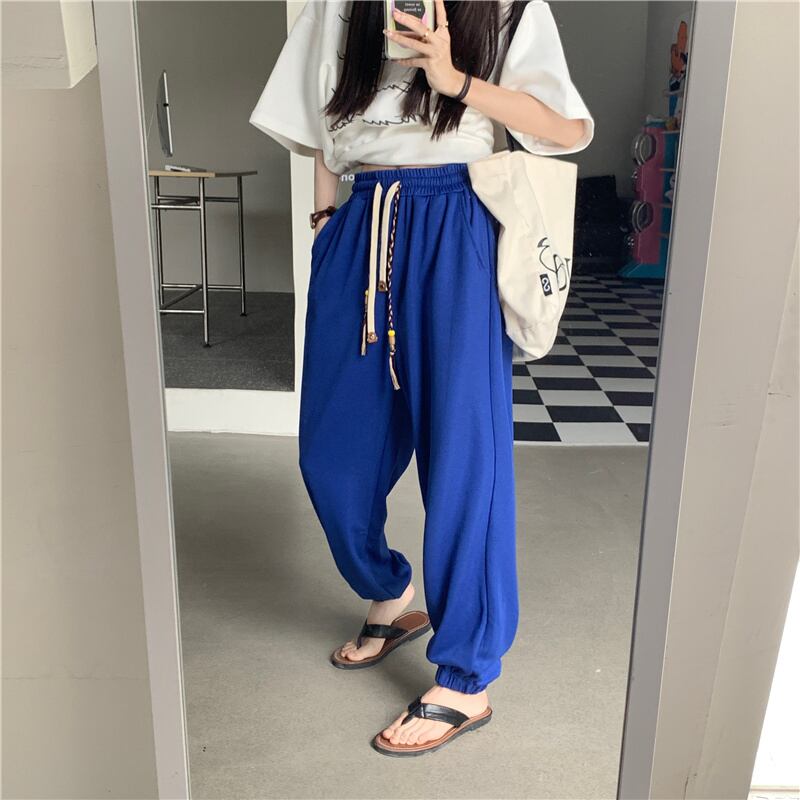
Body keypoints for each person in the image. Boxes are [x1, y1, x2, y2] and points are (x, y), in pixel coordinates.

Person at [250, 0, 594, 756]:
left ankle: (466, 677)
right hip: (360, 222)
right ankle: (389, 590)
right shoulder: (336, 8)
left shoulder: (506, 9)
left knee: (463, 459)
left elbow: (566, 129)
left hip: (457, 217)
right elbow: (320, 128)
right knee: (333, 454)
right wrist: (324, 223)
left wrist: (455, 79)